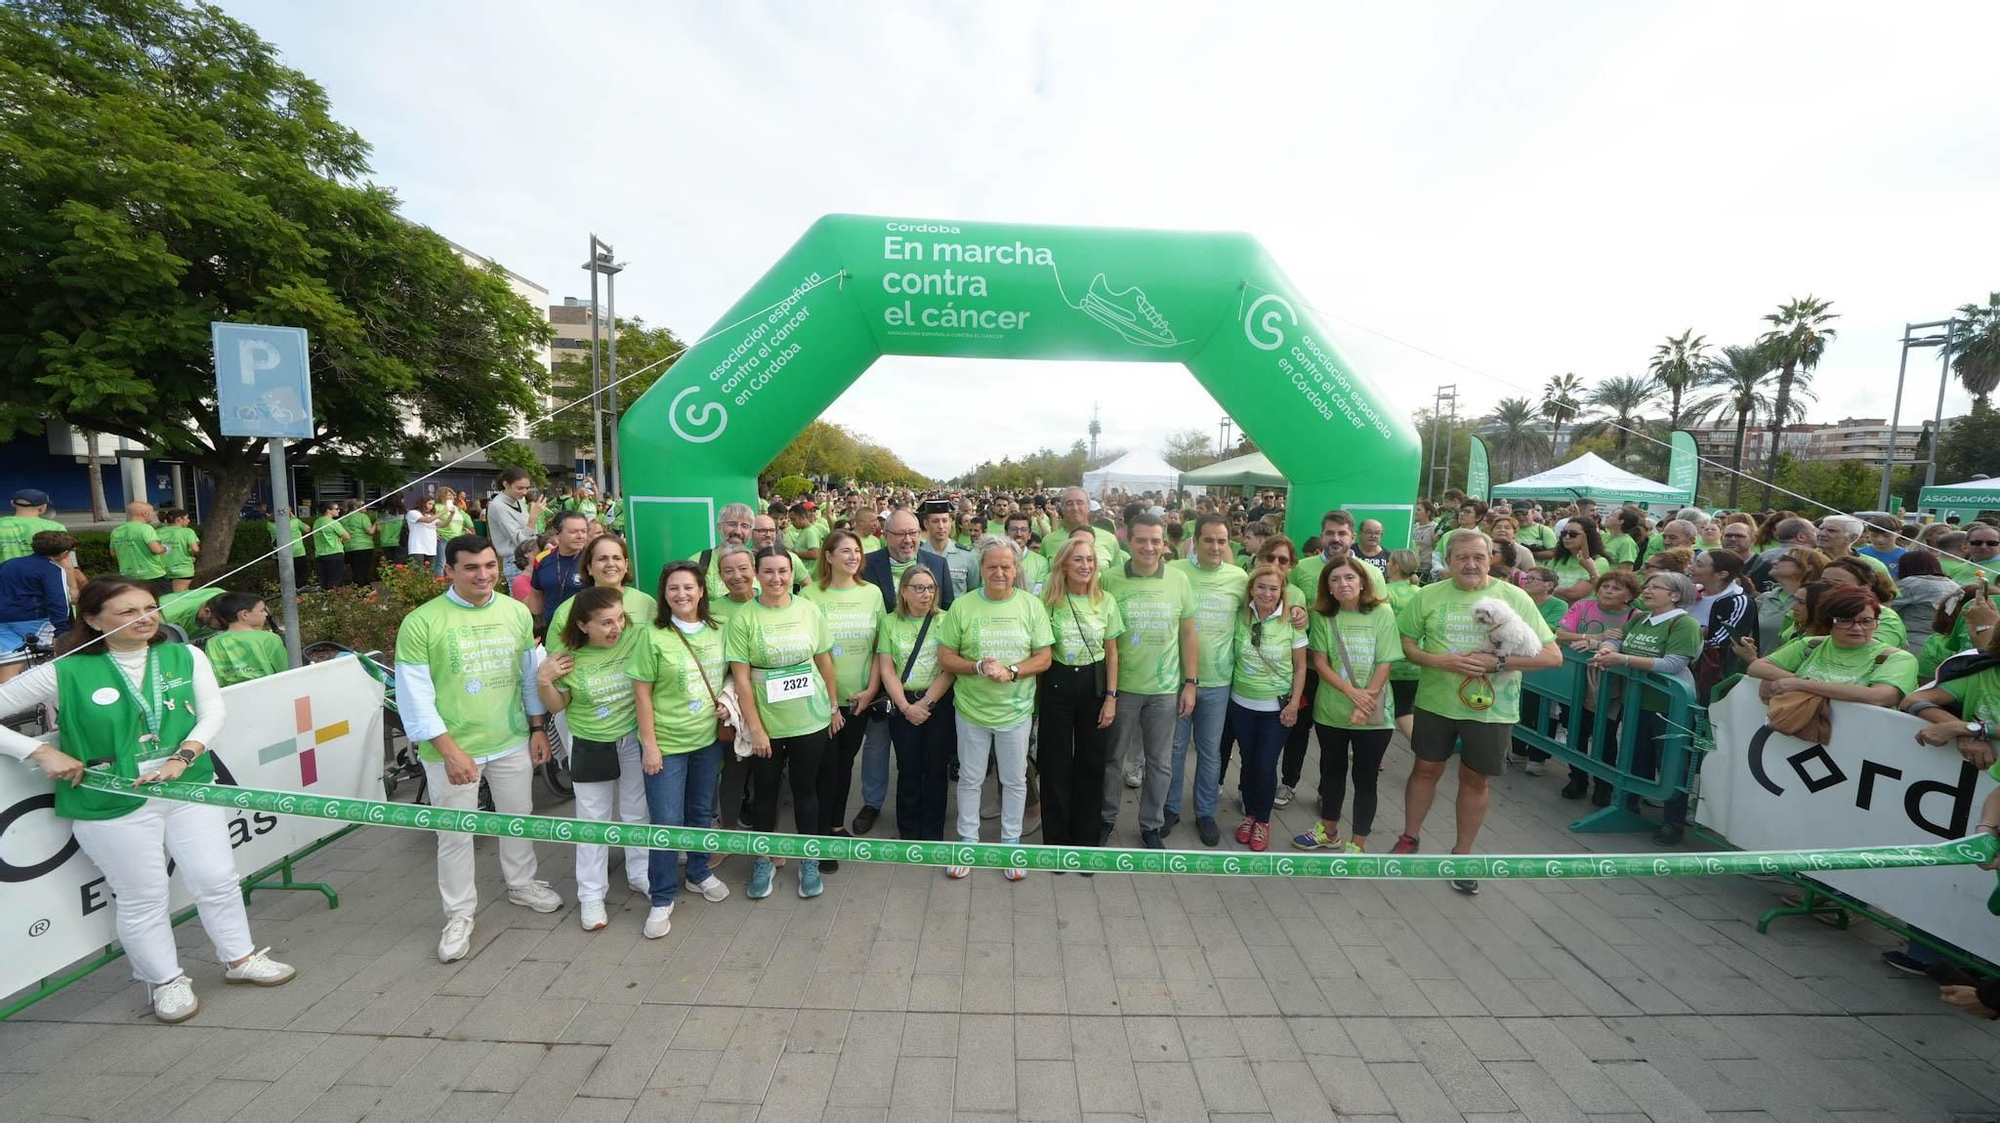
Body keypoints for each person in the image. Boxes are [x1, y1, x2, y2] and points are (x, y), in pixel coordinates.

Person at [0, 577, 295, 1022]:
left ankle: (240, 959)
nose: (145, 618)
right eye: (127, 611)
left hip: (187, 783)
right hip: (111, 797)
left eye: (150, 607)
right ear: (93, 620)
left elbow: (213, 711)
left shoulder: (184, 654)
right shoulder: (66, 669)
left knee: (216, 877)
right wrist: (39, 751)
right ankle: (164, 981)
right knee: (143, 895)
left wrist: (184, 755)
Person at [393, 535, 560, 963]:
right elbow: (414, 697)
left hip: (509, 741)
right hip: (452, 750)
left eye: (489, 565)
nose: (483, 575)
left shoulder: (515, 612)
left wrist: (537, 727)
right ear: (449, 571)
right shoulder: (422, 622)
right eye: (471, 568)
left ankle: (521, 885)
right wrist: (449, 751)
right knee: (454, 836)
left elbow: (528, 677)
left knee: (518, 820)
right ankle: (459, 914)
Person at [1390, 529, 1561, 894]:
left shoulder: (1514, 597)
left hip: (1492, 709)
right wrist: (1439, 661)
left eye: (1479, 558)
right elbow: (1404, 643)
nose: (1470, 564)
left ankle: (1462, 856)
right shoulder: (1428, 595)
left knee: (1475, 780)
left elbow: (1551, 656)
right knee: (1424, 769)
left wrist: (1497, 663)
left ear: (1491, 559)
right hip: (1436, 702)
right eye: (1462, 558)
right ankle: (1409, 838)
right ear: (1448, 561)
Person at [934, 537, 1054, 878]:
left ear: (1016, 569)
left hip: (1015, 711)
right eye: (991, 566)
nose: (999, 572)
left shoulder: (1031, 606)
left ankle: (1010, 843)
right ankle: (968, 841)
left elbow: (1044, 657)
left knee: (1015, 780)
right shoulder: (963, 606)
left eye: (1006, 566)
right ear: (981, 569)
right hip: (971, 709)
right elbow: (945, 656)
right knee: (970, 779)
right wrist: (977, 667)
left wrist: (1012, 671)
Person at [727, 546, 838, 901]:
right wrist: (756, 728)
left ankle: (808, 856)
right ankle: (763, 858)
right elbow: (741, 679)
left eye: (783, 571)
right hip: (767, 723)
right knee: (766, 793)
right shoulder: (744, 617)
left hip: (810, 717)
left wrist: (834, 706)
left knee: (807, 791)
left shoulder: (809, 609)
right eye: (769, 571)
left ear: (793, 573)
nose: (777, 578)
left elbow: (824, 661)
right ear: (757, 575)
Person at [628, 563, 732, 939]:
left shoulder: (718, 630)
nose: (682, 594)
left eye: (689, 587)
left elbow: (729, 677)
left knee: (702, 811)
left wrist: (727, 702)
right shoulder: (652, 635)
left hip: (707, 740)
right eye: (673, 588)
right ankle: (661, 895)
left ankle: (699, 871)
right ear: (664, 594)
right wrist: (650, 746)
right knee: (667, 820)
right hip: (667, 745)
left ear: (702, 591)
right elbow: (641, 693)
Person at [536, 586, 646, 932]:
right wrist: (543, 679)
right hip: (591, 742)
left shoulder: (635, 637)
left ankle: (640, 872)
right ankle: (591, 895)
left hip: (632, 737)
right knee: (592, 820)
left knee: (637, 810)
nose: (616, 629)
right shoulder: (567, 657)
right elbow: (557, 706)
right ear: (583, 625)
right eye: (605, 623)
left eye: (619, 619)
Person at [1099, 513, 1197, 848]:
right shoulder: (1110, 579)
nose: (1149, 547)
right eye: (1142, 540)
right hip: (1121, 688)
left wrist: (1191, 683)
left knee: (1160, 763)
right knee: (1112, 759)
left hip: (1164, 689)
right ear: (1128, 541)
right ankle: (1106, 819)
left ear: (1165, 544)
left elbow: (1187, 633)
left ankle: (1151, 826)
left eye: (1156, 540)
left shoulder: (1179, 581)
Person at [1294, 555, 1400, 852]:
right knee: (1331, 772)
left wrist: (1364, 702)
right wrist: (1351, 693)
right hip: (1331, 710)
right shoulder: (1323, 615)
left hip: (1374, 712)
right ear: (1326, 587)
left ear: (1363, 581)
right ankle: (1328, 831)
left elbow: (1384, 662)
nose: (1343, 584)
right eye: (1335, 579)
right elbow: (1320, 662)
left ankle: (1358, 842)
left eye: (1350, 577)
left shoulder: (1382, 613)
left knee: (1365, 778)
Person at [1590, 572, 1703, 844]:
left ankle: (1673, 821)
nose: (1647, 590)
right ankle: (1629, 806)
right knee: (1634, 755)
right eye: (1648, 586)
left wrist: (1624, 659)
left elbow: (1674, 664)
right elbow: (1617, 638)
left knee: (1672, 763)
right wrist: (1606, 648)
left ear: (1675, 595)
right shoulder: (1641, 617)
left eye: (1655, 587)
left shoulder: (1684, 623)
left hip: (1670, 706)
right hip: (1637, 699)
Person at [1164, 514, 1249, 847]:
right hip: (1177, 678)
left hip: (1218, 680)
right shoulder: (1175, 573)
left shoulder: (1239, 578)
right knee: (1174, 749)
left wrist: (1297, 611)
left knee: (1211, 752)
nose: (1215, 546)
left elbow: (1263, 608)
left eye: (1222, 540)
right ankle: (1170, 809)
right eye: (1209, 540)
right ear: (1195, 541)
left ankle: (1204, 812)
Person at [801, 529, 883, 859]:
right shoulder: (810, 597)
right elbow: (805, 652)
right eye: (845, 551)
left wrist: (871, 689)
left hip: (858, 699)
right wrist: (830, 703)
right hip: (820, 699)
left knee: (845, 762)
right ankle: (819, 835)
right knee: (825, 764)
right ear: (829, 556)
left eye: (857, 551)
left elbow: (881, 648)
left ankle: (835, 826)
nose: (852, 557)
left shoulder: (872, 593)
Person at [1039, 535, 1122, 858]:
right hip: (1058, 683)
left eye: (1089, 560)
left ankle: (1085, 844)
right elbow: (1042, 652)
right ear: (1063, 564)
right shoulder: (1050, 601)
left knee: (1091, 763)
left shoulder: (1106, 601)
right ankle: (1056, 844)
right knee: (1055, 764)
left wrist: (1111, 697)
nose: (1085, 566)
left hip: (1095, 685)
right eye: (1078, 560)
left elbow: (1113, 653)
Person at [1227, 563, 1307, 852]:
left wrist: (1295, 704)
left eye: (1273, 588)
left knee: (1264, 764)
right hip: (1241, 703)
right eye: (1261, 586)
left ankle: (1263, 820)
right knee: (1248, 762)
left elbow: (1300, 668)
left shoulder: (1292, 621)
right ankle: (1249, 813)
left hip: (1276, 707)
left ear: (1282, 592)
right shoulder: (1240, 617)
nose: (1266, 593)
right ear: (1251, 588)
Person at [876, 562, 957, 841]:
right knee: (908, 767)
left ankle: (933, 831)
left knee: (936, 768)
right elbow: (887, 669)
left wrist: (927, 704)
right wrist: (906, 707)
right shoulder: (889, 622)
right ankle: (908, 831)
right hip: (904, 703)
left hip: (938, 702)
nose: (926, 595)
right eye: (919, 588)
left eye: (931, 588)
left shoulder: (946, 619)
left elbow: (950, 668)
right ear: (904, 591)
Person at [1747, 585, 1919, 713]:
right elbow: (1757, 667)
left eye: (1866, 621)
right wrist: (1801, 681)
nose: (1857, 628)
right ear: (1827, 623)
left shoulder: (1898, 658)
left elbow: (1879, 697)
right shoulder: (1811, 644)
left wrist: (1801, 684)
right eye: (1845, 620)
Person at [0, 530, 73, 682]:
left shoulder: (8, 564)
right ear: (64, 553)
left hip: (3, 620)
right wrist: (61, 631)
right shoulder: (52, 570)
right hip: (35, 619)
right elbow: (58, 601)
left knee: (10, 660)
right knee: (49, 660)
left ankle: (5, 701)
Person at [203, 592, 288, 686]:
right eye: (262, 610)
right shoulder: (269, 638)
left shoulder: (213, 642)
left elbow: (214, 676)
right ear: (244, 614)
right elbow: (285, 670)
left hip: (230, 695)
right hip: (270, 688)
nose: (266, 614)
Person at [1823, 557, 1908, 648]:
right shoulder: (1818, 608)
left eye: (1837, 583)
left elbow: (1874, 651)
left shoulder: (1886, 617)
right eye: (1823, 581)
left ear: (1865, 587)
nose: (1825, 587)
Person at [525, 510, 592, 626]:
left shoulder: (592, 558)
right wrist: (536, 624)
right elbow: (536, 593)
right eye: (573, 532)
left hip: (583, 629)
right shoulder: (542, 559)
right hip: (551, 629)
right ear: (557, 534)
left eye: (584, 531)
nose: (580, 536)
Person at [1893, 551, 1962, 657]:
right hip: (1944, 644)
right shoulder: (1955, 586)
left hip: (1913, 642)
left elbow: (1884, 607)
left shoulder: (1911, 584)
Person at [687, 502, 758, 603]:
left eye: (744, 526)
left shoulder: (760, 562)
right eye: (732, 524)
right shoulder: (698, 562)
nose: (738, 531)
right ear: (719, 527)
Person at [485, 468, 544, 588]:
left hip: (530, 557)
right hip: (516, 561)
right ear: (506, 484)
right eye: (520, 488)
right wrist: (533, 518)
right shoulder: (498, 506)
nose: (524, 492)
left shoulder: (518, 500)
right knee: (521, 604)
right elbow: (520, 541)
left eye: (527, 488)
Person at [1041, 487, 1120, 572]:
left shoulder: (1109, 539)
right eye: (1069, 503)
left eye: (1079, 503)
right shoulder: (1048, 541)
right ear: (1062, 509)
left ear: (1088, 507)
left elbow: (1117, 576)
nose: (1075, 508)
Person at [111, 500, 171, 594]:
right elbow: (156, 549)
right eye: (152, 512)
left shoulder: (116, 531)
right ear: (144, 513)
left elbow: (113, 553)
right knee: (165, 603)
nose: (153, 515)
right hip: (152, 574)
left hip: (128, 576)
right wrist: (166, 548)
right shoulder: (145, 528)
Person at [919, 505, 977, 596]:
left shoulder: (967, 556)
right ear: (926, 524)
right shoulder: (918, 555)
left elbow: (973, 592)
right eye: (935, 521)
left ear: (950, 522)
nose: (941, 526)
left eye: (945, 521)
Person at [1548, 518, 1607, 602]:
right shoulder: (1557, 560)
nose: (1567, 537)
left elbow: (1574, 594)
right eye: (1564, 533)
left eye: (1573, 534)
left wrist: (1545, 590)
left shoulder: (1599, 562)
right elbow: (1541, 581)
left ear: (1588, 537)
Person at [0, 488, 64, 562]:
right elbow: (65, 562)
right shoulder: (56, 527)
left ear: (12, 503)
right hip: (42, 573)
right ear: (43, 507)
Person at [156, 508, 199, 592]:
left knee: (167, 596)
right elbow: (195, 549)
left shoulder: (157, 532)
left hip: (162, 571)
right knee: (178, 598)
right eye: (187, 518)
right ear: (179, 519)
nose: (189, 520)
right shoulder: (188, 532)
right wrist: (193, 556)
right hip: (182, 570)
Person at [309, 501, 348, 590]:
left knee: (325, 581)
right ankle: (332, 601)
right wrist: (340, 539)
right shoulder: (333, 522)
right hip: (334, 553)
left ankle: (325, 600)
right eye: (336, 509)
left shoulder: (317, 522)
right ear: (328, 511)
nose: (339, 511)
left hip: (320, 554)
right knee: (335, 581)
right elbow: (346, 536)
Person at [784, 502, 827, 581]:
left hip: (810, 576)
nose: (792, 522)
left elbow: (814, 554)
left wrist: (794, 554)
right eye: (791, 520)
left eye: (794, 519)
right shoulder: (804, 530)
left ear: (803, 517)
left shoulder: (810, 532)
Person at [339, 500, 378, 588]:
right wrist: (376, 522)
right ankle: (364, 591)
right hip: (364, 547)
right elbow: (370, 531)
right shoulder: (362, 516)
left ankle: (358, 590)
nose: (365, 506)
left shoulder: (344, 518)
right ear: (356, 507)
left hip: (349, 547)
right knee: (364, 571)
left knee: (356, 570)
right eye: (363, 505)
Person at [406, 496, 441, 572]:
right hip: (417, 547)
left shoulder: (431, 515)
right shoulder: (413, 513)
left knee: (428, 572)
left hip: (430, 547)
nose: (431, 506)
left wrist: (451, 515)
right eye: (429, 503)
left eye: (432, 505)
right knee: (418, 571)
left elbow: (443, 524)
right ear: (422, 503)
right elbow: (427, 520)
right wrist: (443, 512)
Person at [376, 494, 407, 565]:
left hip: (385, 542)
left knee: (389, 564)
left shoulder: (382, 513)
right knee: (399, 565)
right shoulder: (403, 513)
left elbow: (378, 529)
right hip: (399, 542)